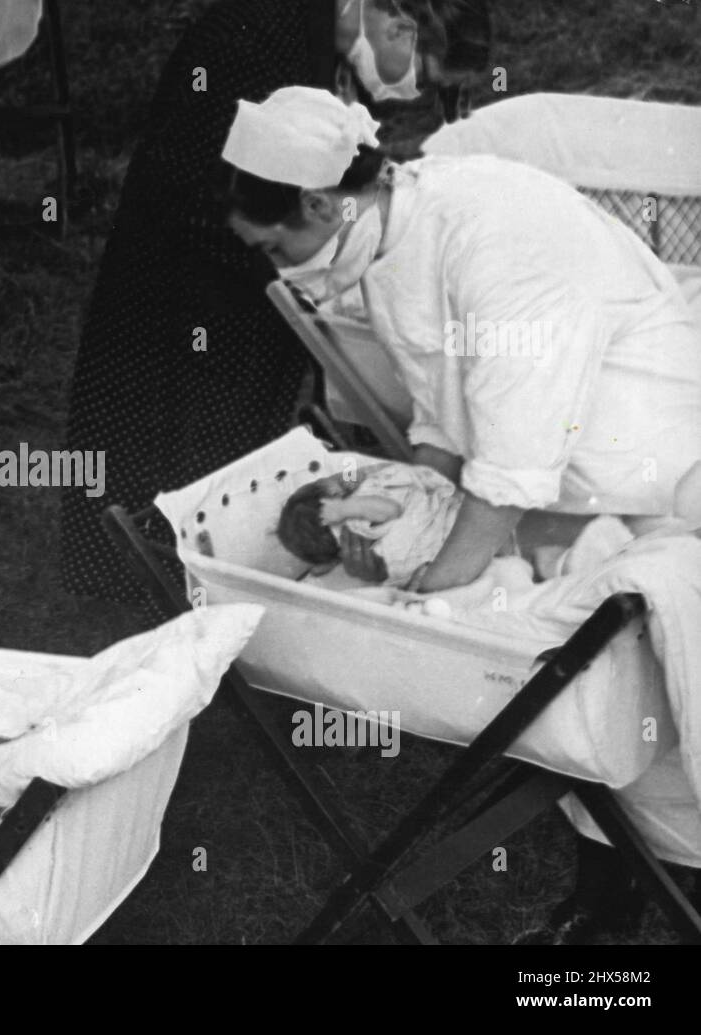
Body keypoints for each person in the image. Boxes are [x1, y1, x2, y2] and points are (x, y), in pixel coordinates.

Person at [220, 85, 701, 942]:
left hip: (657, 470)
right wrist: (421, 505)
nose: (278, 267)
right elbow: (444, 415)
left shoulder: (493, 240)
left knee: (632, 685)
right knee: (582, 696)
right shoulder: (397, 230)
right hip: (556, 485)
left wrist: (425, 604)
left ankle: (663, 889)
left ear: (322, 201)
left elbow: (508, 476)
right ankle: (611, 890)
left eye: (277, 243)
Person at [58, 0, 489, 612]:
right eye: (423, 71)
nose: (412, 90)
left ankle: (214, 566)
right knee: (162, 409)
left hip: (265, 251)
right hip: (192, 243)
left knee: (236, 416)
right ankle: (139, 571)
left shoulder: (325, 49)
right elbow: (222, 169)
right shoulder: (260, 33)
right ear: (399, 25)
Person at [277, 462, 462, 588]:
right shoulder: (356, 516)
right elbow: (390, 510)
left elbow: (353, 472)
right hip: (446, 522)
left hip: (436, 544)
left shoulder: (359, 523)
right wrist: (346, 506)